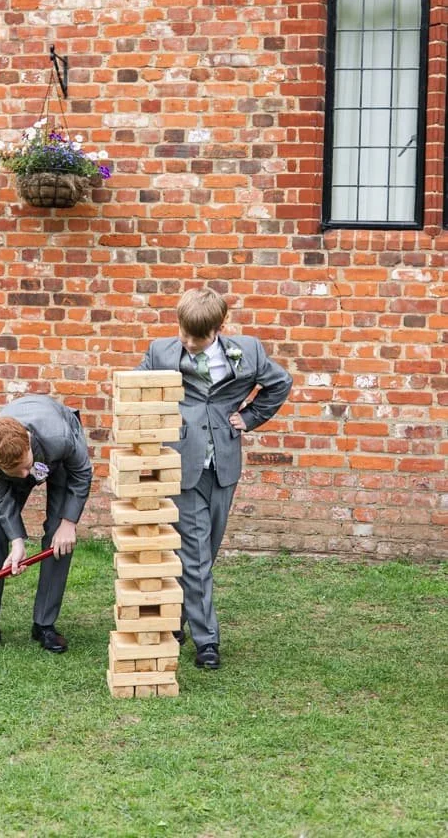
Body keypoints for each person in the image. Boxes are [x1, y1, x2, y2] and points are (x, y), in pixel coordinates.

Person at [140, 287, 292, 670]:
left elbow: (280, 383)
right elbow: (137, 395)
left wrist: (251, 417)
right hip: (183, 463)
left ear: (220, 328)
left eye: (197, 337)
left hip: (223, 465)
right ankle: (207, 641)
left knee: (206, 550)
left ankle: (174, 620)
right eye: (183, 333)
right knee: (195, 555)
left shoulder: (249, 351)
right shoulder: (160, 352)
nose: (188, 343)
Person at [0, 395, 92, 654]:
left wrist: (69, 523)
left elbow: (82, 474)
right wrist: (17, 541)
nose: (28, 478)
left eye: (27, 468)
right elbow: (2, 498)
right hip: (18, 456)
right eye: (18, 473)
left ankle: (44, 624)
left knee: (59, 533)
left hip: (59, 454)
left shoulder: (60, 438)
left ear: (28, 443)